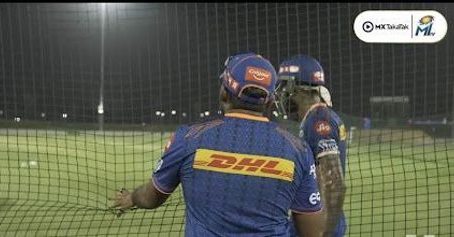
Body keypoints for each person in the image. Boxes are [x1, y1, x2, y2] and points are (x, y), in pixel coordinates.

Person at [110, 52, 327, 236]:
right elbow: (311, 230)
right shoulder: (298, 149)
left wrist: (132, 198)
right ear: (269, 101)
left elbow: (151, 197)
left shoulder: (188, 137)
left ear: (224, 92)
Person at [275, 55, 347, 237]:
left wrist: (324, 231)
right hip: (312, 218)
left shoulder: (318, 119)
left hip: (317, 223)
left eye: (284, 87)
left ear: (295, 88)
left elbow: (334, 183)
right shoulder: (317, 117)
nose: (281, 93)